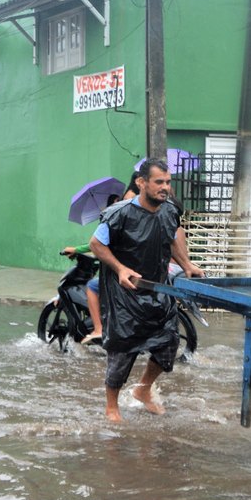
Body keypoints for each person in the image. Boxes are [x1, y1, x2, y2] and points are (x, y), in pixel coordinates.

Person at [89, 159, 204, 422]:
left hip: (158, 290)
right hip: (125, 294)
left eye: (168, 182)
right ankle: (112, 407)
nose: (165, 188)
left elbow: (171, 238)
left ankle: (143, 390)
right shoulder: (119, 213)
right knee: (122, 351)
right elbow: (95, 244)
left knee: (168, 344)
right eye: (159, 182)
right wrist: (119, 268)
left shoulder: (169, 211)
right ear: (142, 183)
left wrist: (187, 265)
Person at [62, 194, 121, 344]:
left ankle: (98, 329)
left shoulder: (113, 220)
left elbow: (95, 244)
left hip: (119, 272)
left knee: (92, 286)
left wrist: (76, 249)